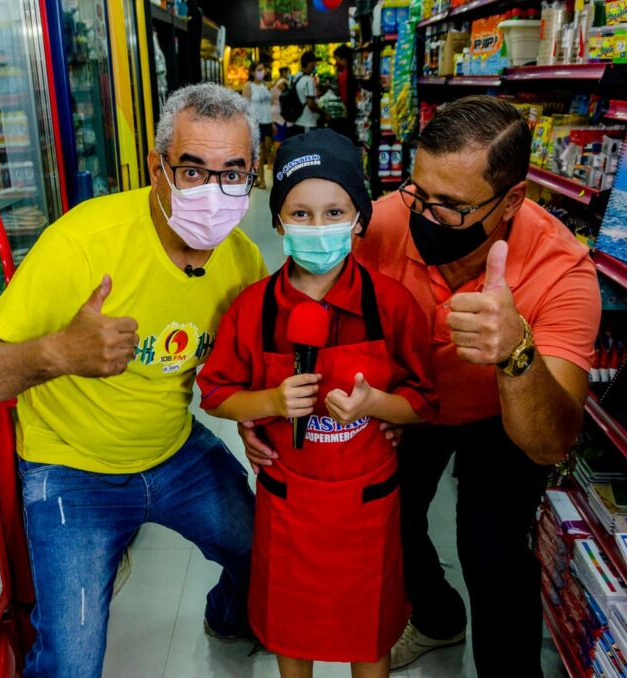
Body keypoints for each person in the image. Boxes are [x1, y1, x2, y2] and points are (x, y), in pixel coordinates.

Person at [241, 96, 600, 675]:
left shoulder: (561, 270)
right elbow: (292, 313)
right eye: (419, 193)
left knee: (492, 550)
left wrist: (516, 352)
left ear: (512, 200)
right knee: (390, 522)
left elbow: (549, 443)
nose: (426, 216)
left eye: (451, 207)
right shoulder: (378, 224)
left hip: (502, 416)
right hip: (401, 403)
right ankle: (435, 617)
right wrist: (259, 408)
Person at [0, 83, 267, 677]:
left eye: (233, 173)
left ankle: (228, 615)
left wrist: (257, 417)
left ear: (253, 173)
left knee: (269, 559)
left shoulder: (242, 259)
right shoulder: (83, 242)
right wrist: (58, 353)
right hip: (71, 468)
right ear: (156, 168)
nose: (214, 193)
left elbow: (240, 370)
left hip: (176, 453)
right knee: (70, 666)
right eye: (192, 171)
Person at [198, 128, 438, 678]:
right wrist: (269, 400)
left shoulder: (391, 305)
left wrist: (377, 404)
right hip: (289, 505)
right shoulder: (253, 309)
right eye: (300, 214)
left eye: (334, 212)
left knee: (368, 630)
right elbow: (215, 394)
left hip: (368, 506)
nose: (318, 226)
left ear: (359, 220)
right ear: (279, 222)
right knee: (292, 625)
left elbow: (424, 402)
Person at [243, 61, 273, 189]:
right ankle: (262, 180)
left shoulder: (265, 85)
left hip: (268, 122)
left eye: (263, 69)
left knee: (267, 150)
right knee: (260, 152)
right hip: (256, 123)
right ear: (252, 72)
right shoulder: (248, 86)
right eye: (259, 70)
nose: (262, 72)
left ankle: (255, 176)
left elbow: (269, 105)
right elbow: (244, 107)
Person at [290, 51, 326, 136]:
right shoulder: (309, 80)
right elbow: (311, 104)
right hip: (308, 122)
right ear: (310, 63)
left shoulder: (295, 77)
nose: (315, 65)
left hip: (297, 121)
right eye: (314, 62)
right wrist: (323, 113)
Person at [329, 44, 358, 140]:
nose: (336, 63)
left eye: (337, 59)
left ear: (343, 59)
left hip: (351, 114)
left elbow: (345, 99)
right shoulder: (356, 71)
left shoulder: (344, 76)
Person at [271, 65, 291, 144]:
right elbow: (286, 98)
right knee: (280, 138)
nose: (290, 74)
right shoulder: (283, 82)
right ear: (283, 72)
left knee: (276, 136)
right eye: (289, 72)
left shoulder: (275, 81)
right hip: (280, 113)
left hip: (274, 111)